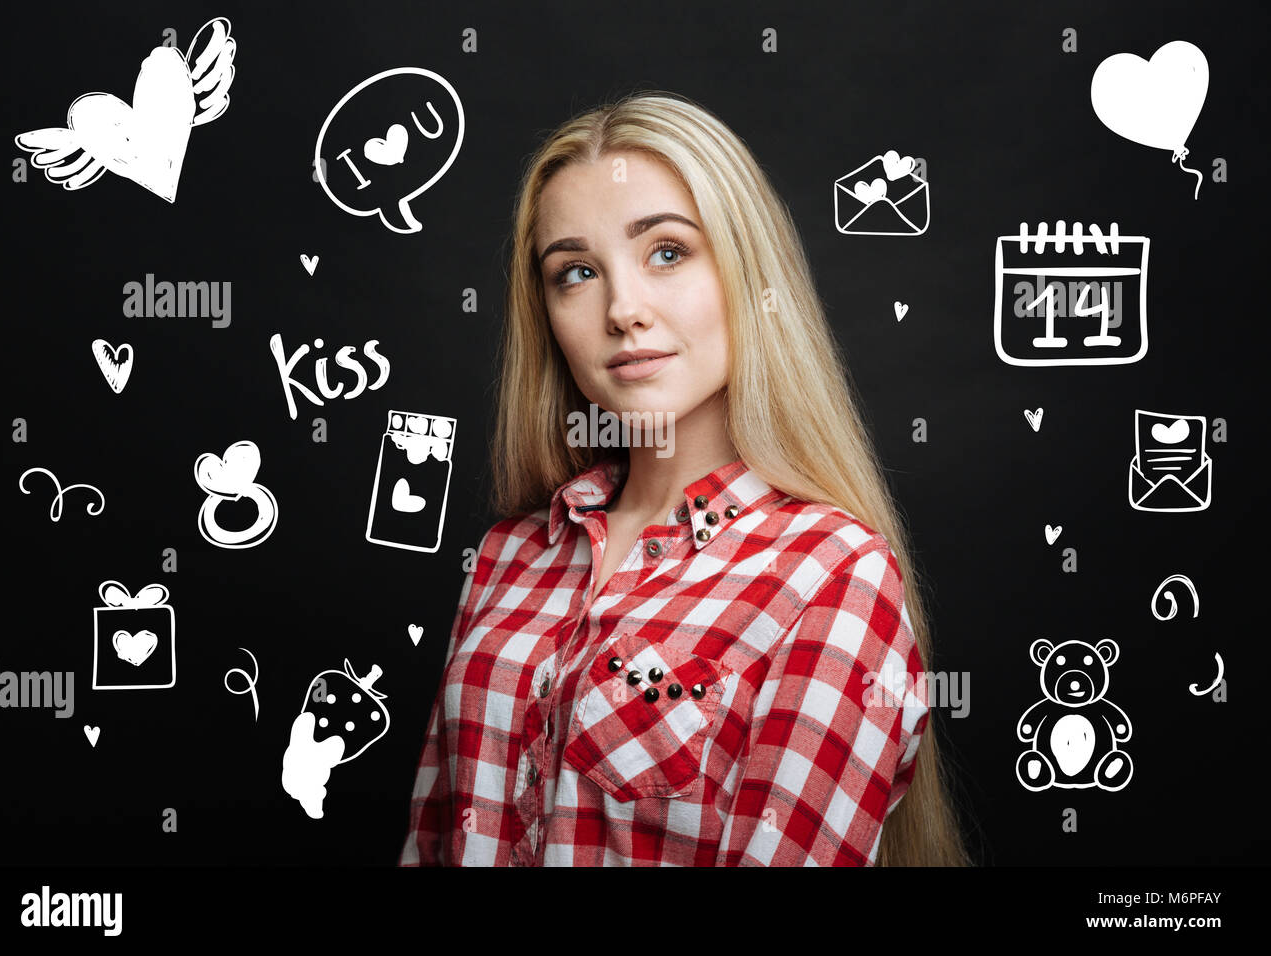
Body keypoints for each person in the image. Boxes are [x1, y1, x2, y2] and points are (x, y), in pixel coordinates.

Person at [400, 92, 971, 866]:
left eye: (667, 252)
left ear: (747, 271)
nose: (623, 310)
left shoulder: (831, 578)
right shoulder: (508, 555)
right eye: (575, 272)